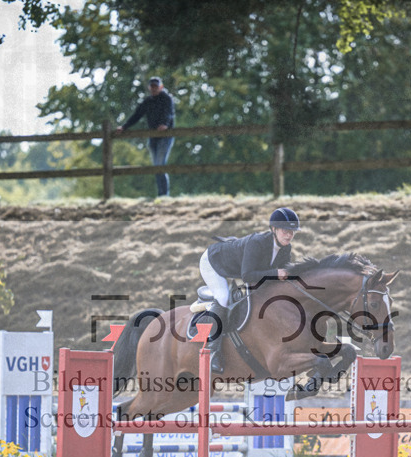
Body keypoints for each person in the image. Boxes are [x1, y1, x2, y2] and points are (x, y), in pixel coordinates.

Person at [198, 207, 301, 373]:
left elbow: (278, 279)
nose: (289, 235)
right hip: (213, 262)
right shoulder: (257, 243)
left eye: (292, 232)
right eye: (285, 231)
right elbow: (247, 276)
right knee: (223, 297)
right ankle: (213, 351)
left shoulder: (286, 248)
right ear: (274, 229)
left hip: (237, 267)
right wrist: (276, 273)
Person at [115, 76, 176, 197]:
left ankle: (164, 195)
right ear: (149, 88)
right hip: (152, 137)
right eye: (152, 86)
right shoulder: (147, 102)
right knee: (156, 167)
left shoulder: (167, 99)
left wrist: (164, 124)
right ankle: (161, 194)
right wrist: (124, 126)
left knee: (160, 165)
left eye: (156, 86)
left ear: (161, 87)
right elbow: (137, 115)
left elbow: (169, 113)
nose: (154, 89)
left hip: (165, 136)